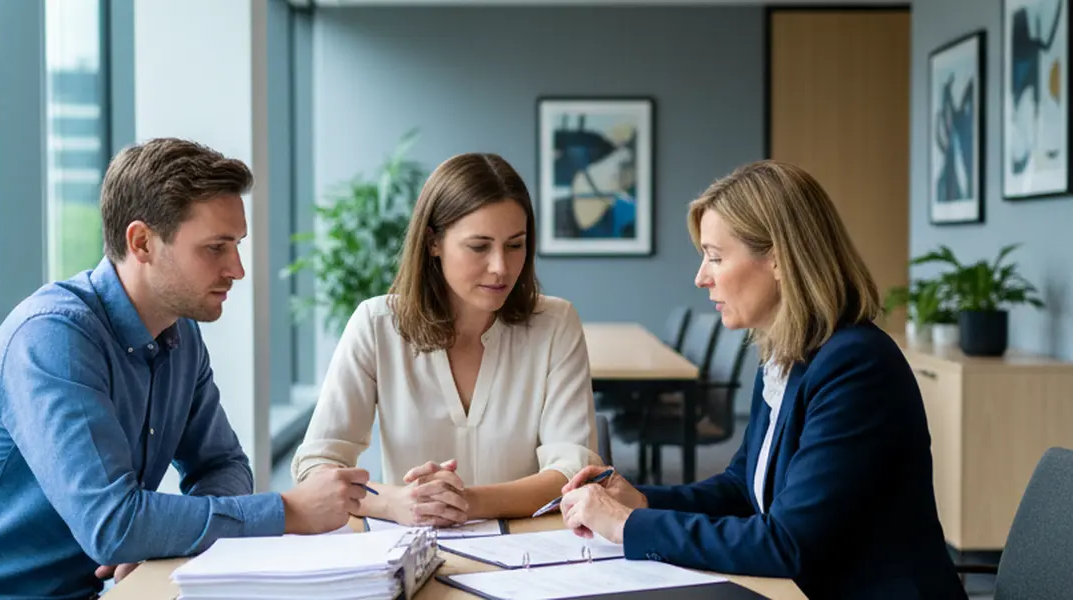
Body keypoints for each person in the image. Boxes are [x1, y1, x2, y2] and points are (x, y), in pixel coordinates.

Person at [0, 138, 369, 600]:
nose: (237, 269)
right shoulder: (53, 338)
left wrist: (163, 537)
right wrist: (286, 511)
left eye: (237, 245)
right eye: (215, 248)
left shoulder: (181, 335)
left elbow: (220, 465)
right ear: (141, 242)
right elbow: (115, 526)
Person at [556, 160, 966, 599]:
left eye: (715, 257)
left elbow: (788, 545)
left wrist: (627, 526)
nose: (701, 277)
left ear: (779, 259)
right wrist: (641, 502)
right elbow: (742, 488)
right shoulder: (786, 354)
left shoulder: (855, 366)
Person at [290, 152, 602, 527]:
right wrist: (393, 503)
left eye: (515, 245)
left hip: (526, 550)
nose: (501, 267)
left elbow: (574, 474)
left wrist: (465, 501)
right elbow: (317, 467)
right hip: (408, 546)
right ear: (432, 242)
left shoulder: (555, 324)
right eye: (479, 246)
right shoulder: (376, 324)